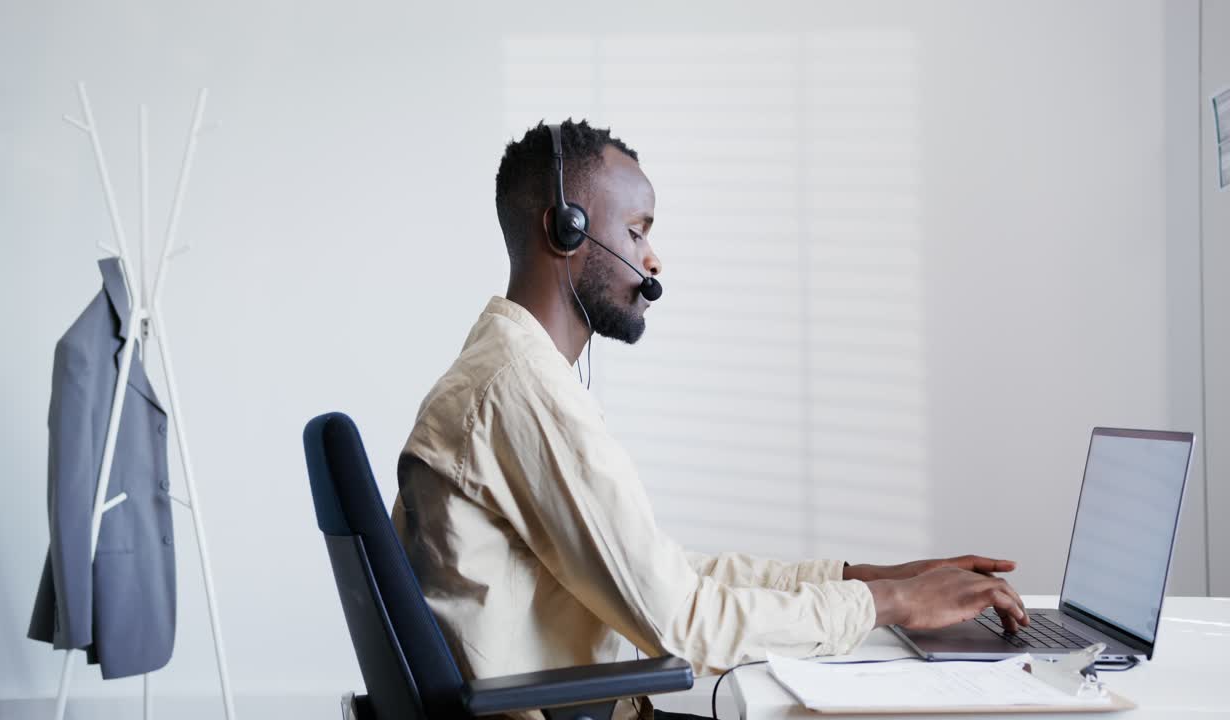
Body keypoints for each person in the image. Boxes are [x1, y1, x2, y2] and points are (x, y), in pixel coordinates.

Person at [392, 119, 1029, 720]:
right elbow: (682, 624)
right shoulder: (523, 392)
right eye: (637, 232)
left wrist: (868, 579)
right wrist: (892, 604)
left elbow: (664, 572)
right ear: (566, 230)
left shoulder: (512, 373)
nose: (653, 260)